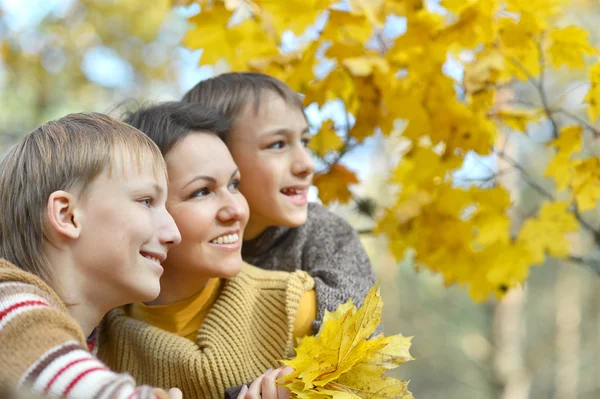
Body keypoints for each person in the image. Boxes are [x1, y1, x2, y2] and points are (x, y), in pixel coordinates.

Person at [97, 102, 314, 399]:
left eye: (234, 185)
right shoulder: (93, 344)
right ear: (144, 207)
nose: (235, 210)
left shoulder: (295, 308)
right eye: (202, 191)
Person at [0, 113, 183, 398]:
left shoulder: (102, 339)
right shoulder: (7, 305)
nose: (174, 233)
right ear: (67, 215)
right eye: (146, 201)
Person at [181, 72, 377, 332]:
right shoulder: (182, 241)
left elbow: (357, 330)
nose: (307, 164)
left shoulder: (325, 234)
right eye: (277, 144)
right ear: (217, 156)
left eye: (305, 141)